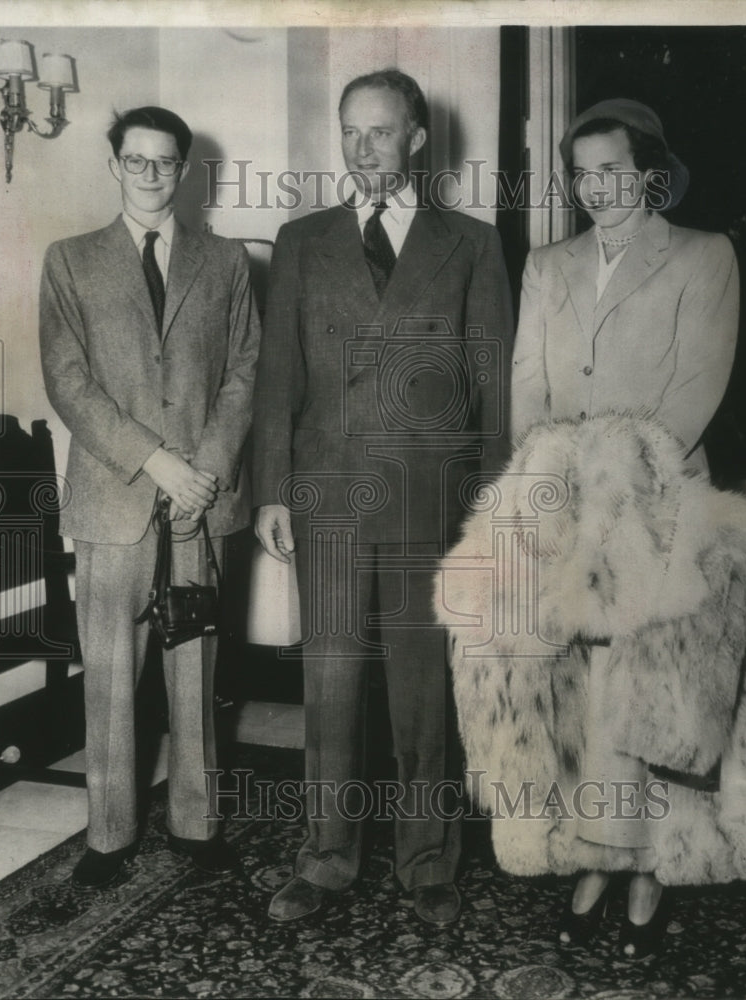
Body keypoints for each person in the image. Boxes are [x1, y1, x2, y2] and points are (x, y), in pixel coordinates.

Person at [253, 69, 513, 926]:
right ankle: (325, 858)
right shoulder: (302, 240)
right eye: (349, 132)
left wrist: (488, 508)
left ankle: (429, 859)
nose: (363, 149)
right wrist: (274, 492)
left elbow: (493, 385)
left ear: (416, 139)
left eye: (380, 132)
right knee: (328, 687)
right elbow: (278, 375)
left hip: (428, 500)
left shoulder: (471, 244)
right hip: (326, 498)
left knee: (419, 686)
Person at [510, 98, 740, 956]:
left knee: (658, 691)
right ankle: (597, 856)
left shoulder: (703, 256)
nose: (594, 187)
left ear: (648, 171)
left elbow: (695, 390)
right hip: (569, 508)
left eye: (611, 170)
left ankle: (651, 869)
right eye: (581, 173)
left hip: (663, 505)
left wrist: (617, 485)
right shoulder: (547, 263)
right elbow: (526, 389)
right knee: (589, 699)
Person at [40, 106, 260, 888]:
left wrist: (204, 467)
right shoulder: (70, 261)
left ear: (185, 169)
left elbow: (243, 374)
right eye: (136, 161)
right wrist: (156, 462)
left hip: (201, 497)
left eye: (165, 162)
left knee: (195, 670)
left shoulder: (226, 260)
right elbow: (69, 383)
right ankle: (108, 836)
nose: (151, 175)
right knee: (109, 674)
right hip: (113, 497)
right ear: (114, 166)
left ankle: (197, 826)